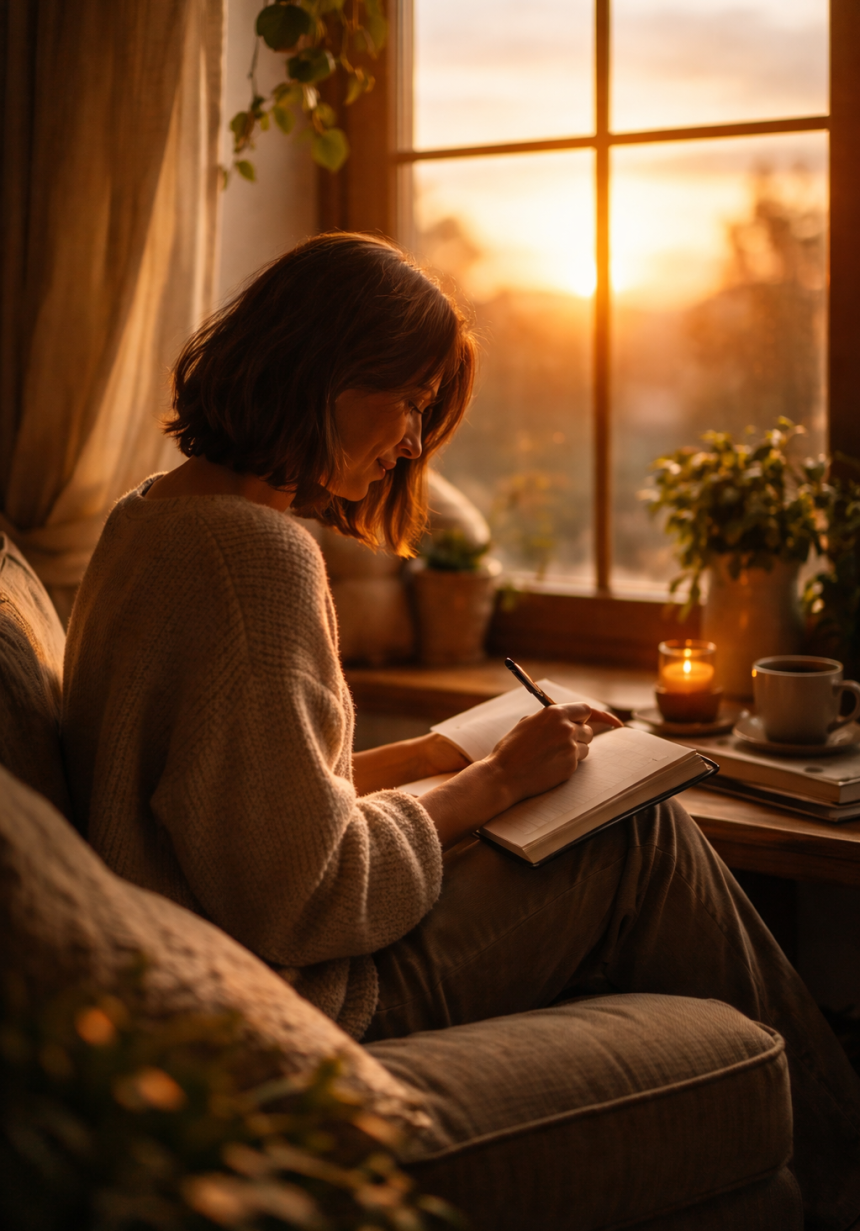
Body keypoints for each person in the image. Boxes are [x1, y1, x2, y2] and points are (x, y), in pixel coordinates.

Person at [62, 232, 860, 1230]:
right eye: (405, 398)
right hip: (293, 987)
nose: (409, 439)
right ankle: (841, 1174)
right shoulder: (257, 559)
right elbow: (306, 895)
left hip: (213, 949)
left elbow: (234, 794)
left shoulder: (151, 517)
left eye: (424, 409)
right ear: (320, 368)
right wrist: (491, 786)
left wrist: (446, 754)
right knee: (639, 836)